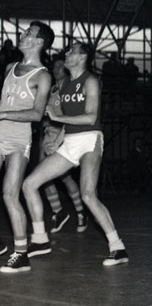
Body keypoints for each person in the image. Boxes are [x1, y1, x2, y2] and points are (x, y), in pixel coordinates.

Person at [22, 41, 129, 267]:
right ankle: (40, 239)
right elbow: (66, 123)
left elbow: (90, 117)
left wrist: (57, 117)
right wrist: (57, 142)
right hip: (69, 142)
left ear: (82, 58)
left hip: (90, 139)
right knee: (29, 184)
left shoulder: (90, 81)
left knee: (88, 194)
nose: (67, 54)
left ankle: (117, 247)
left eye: (72, 51)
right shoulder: (65, 85)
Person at [0, 21, 53, 273]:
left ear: (39, 42)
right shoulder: (10, 67)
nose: (23, 35)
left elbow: (37, 114)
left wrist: (2, 115)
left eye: (29, 33)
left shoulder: (43, 76)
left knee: (9, 194)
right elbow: (3, 103)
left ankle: (21, 253)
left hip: (18, 140)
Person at [38, 56, 87, 234]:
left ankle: (81, 212)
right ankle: (58, 211)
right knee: (43, 177)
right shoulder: (50, 90)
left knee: (65, 177)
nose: (56, 68)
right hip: (47, 136)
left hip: (62, 136)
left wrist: (57, 141)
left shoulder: (69, 89)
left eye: (60, 66)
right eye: (55, 66)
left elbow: (69, 118)